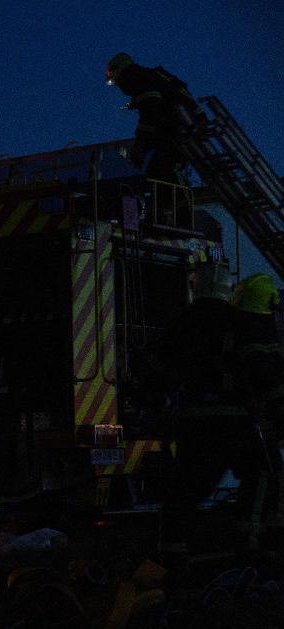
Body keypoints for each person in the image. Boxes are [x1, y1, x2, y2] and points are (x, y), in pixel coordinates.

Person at [152, 263, 258, 552]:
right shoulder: (239, 322)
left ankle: (172, 555)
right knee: (261, 476)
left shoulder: (179, 322)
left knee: (184, 494)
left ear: (195, 286)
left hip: (193, 423)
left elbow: (160, 370)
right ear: (228, 288)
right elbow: (256, 369)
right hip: (237, 422)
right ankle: (243, 542)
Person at [106, 53, 201, 224]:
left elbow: (150, 116)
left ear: (119, 72)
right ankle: (163, 214)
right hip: (184, 128)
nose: (118, 86)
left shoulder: (139, 79)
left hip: (181, 131)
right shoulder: (152, 77)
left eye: (116, 81)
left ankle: (184, 214)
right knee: (157, 171)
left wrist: (140, 147)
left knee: (166, 168)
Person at [232, 274, 284, 547]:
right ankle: (256, 542)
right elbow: (268, 379)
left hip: (236, 420)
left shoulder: (236, 328)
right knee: (266, 472)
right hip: (250, 420)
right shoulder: (258, 333)